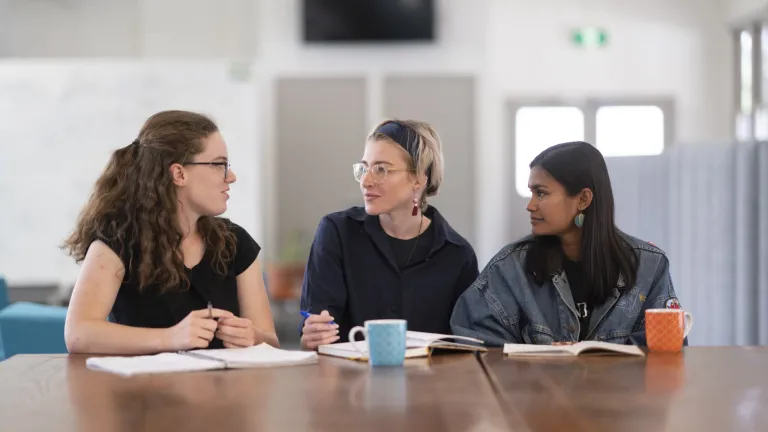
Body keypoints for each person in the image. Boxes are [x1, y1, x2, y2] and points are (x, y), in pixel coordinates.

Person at [63, 110, 278, 355]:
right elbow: (79, 334)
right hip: (144, 390)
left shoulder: (237, 242)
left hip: (227, 391)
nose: (231, 176)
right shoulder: (118, 241)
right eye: (219, 165)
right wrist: (170, 337)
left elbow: (271, 342)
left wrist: (253, 336)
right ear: (179, 174)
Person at [451, 141, 684, 346]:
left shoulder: (649, 267)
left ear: (583, 199)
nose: (530, 205)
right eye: (531, 193)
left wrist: (597, 360)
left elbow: (667, 350)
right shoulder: (509, 268)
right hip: (536, 395)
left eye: (541, 193)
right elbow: (473, 345)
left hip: (621, 396)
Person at [299, 119, 478, 350]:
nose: (366, 180)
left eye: (381, 169)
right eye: (364, 168)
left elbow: (466, 347)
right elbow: (315, 335)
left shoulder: (457, 255)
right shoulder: (336, 233)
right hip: (350, 381)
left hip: (429, 383)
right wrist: (311, 336)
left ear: (419, 178)